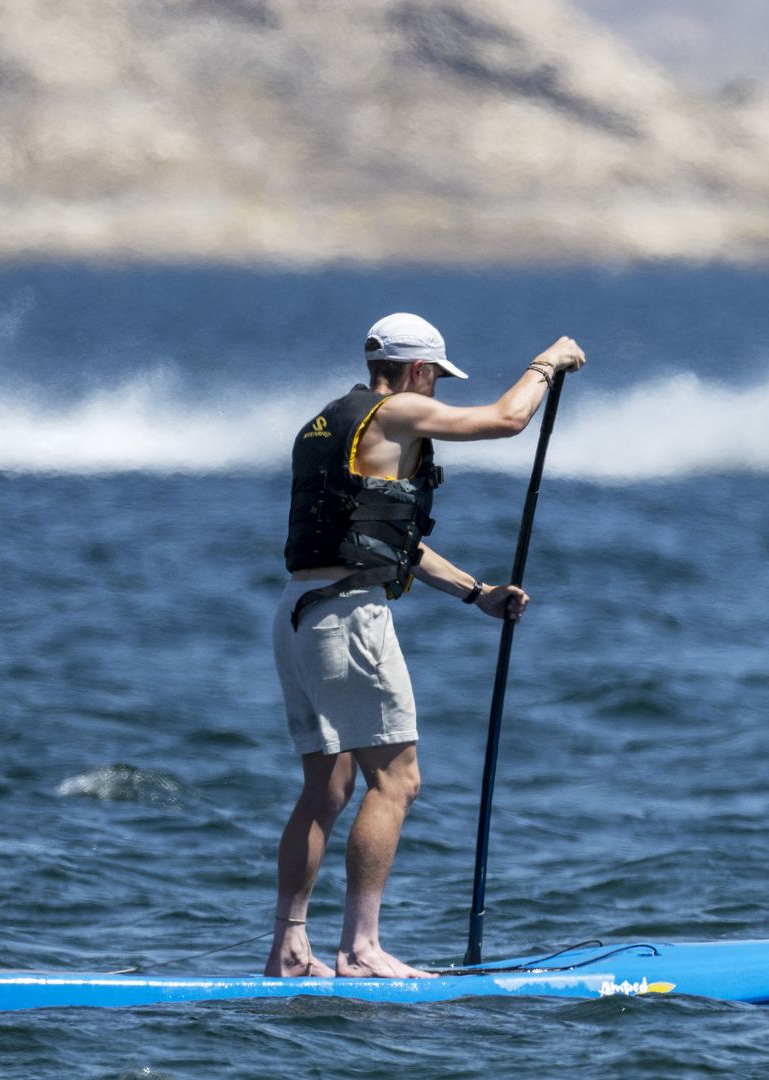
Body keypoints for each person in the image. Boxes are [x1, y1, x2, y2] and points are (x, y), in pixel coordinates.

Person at [268, 312, 588, 979]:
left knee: (328, 787)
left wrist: (477, 593)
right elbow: (506, 420)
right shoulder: (396, 412)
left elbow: (382, 539)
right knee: (397, 780)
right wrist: (545, 366)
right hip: (350, 619)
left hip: (297, 616)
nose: (436, 390)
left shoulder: (328, 423)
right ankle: (360, 947)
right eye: (436, 377)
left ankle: (289, 946)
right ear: (417, 371)